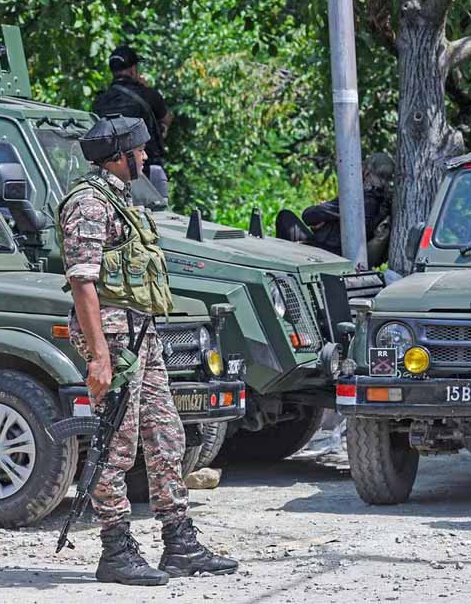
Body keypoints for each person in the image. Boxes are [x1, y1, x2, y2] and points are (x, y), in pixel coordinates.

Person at [57, 115, 236, 585]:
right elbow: (83, 282)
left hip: (141, 332)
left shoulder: (122, 200)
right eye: (138, 150)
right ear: (119, 156)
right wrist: (99, 356)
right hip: (113, 337)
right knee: (115, 442)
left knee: (166, 435)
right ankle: (115, 549)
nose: (145, 156)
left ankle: (179, 543)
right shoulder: (89, 204)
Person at [280, 153, 395, 266]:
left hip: (326, 254)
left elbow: (308, 216)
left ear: (366, 173)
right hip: (346, 257)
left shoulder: (359, 199)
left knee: (285, 217)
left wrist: (323, 209)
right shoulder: (386, 205)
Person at [93, 45, 172, 199]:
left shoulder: (100, 101)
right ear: (132, 70)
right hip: (147, 171)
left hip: (112, 174)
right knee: (158, 212)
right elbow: (167, 119)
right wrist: (147, 89)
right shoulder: (149, 95)